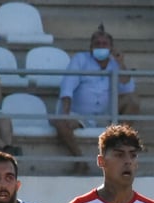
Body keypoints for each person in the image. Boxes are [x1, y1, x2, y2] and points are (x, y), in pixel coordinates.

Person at [51, 29, 139, 167]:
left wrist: (121, 63)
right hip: (80, 114)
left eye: (105, 43)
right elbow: (67, 86)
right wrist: (66, 113)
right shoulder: (80, 59)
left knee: (133, 101)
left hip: (106, 114)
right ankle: (80, 161)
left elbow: (128, 88)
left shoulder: (115, 63)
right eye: (97, 43)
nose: (101, 46)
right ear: (91, 46)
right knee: (60, 123)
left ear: (111, 47)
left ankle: (116, 147)